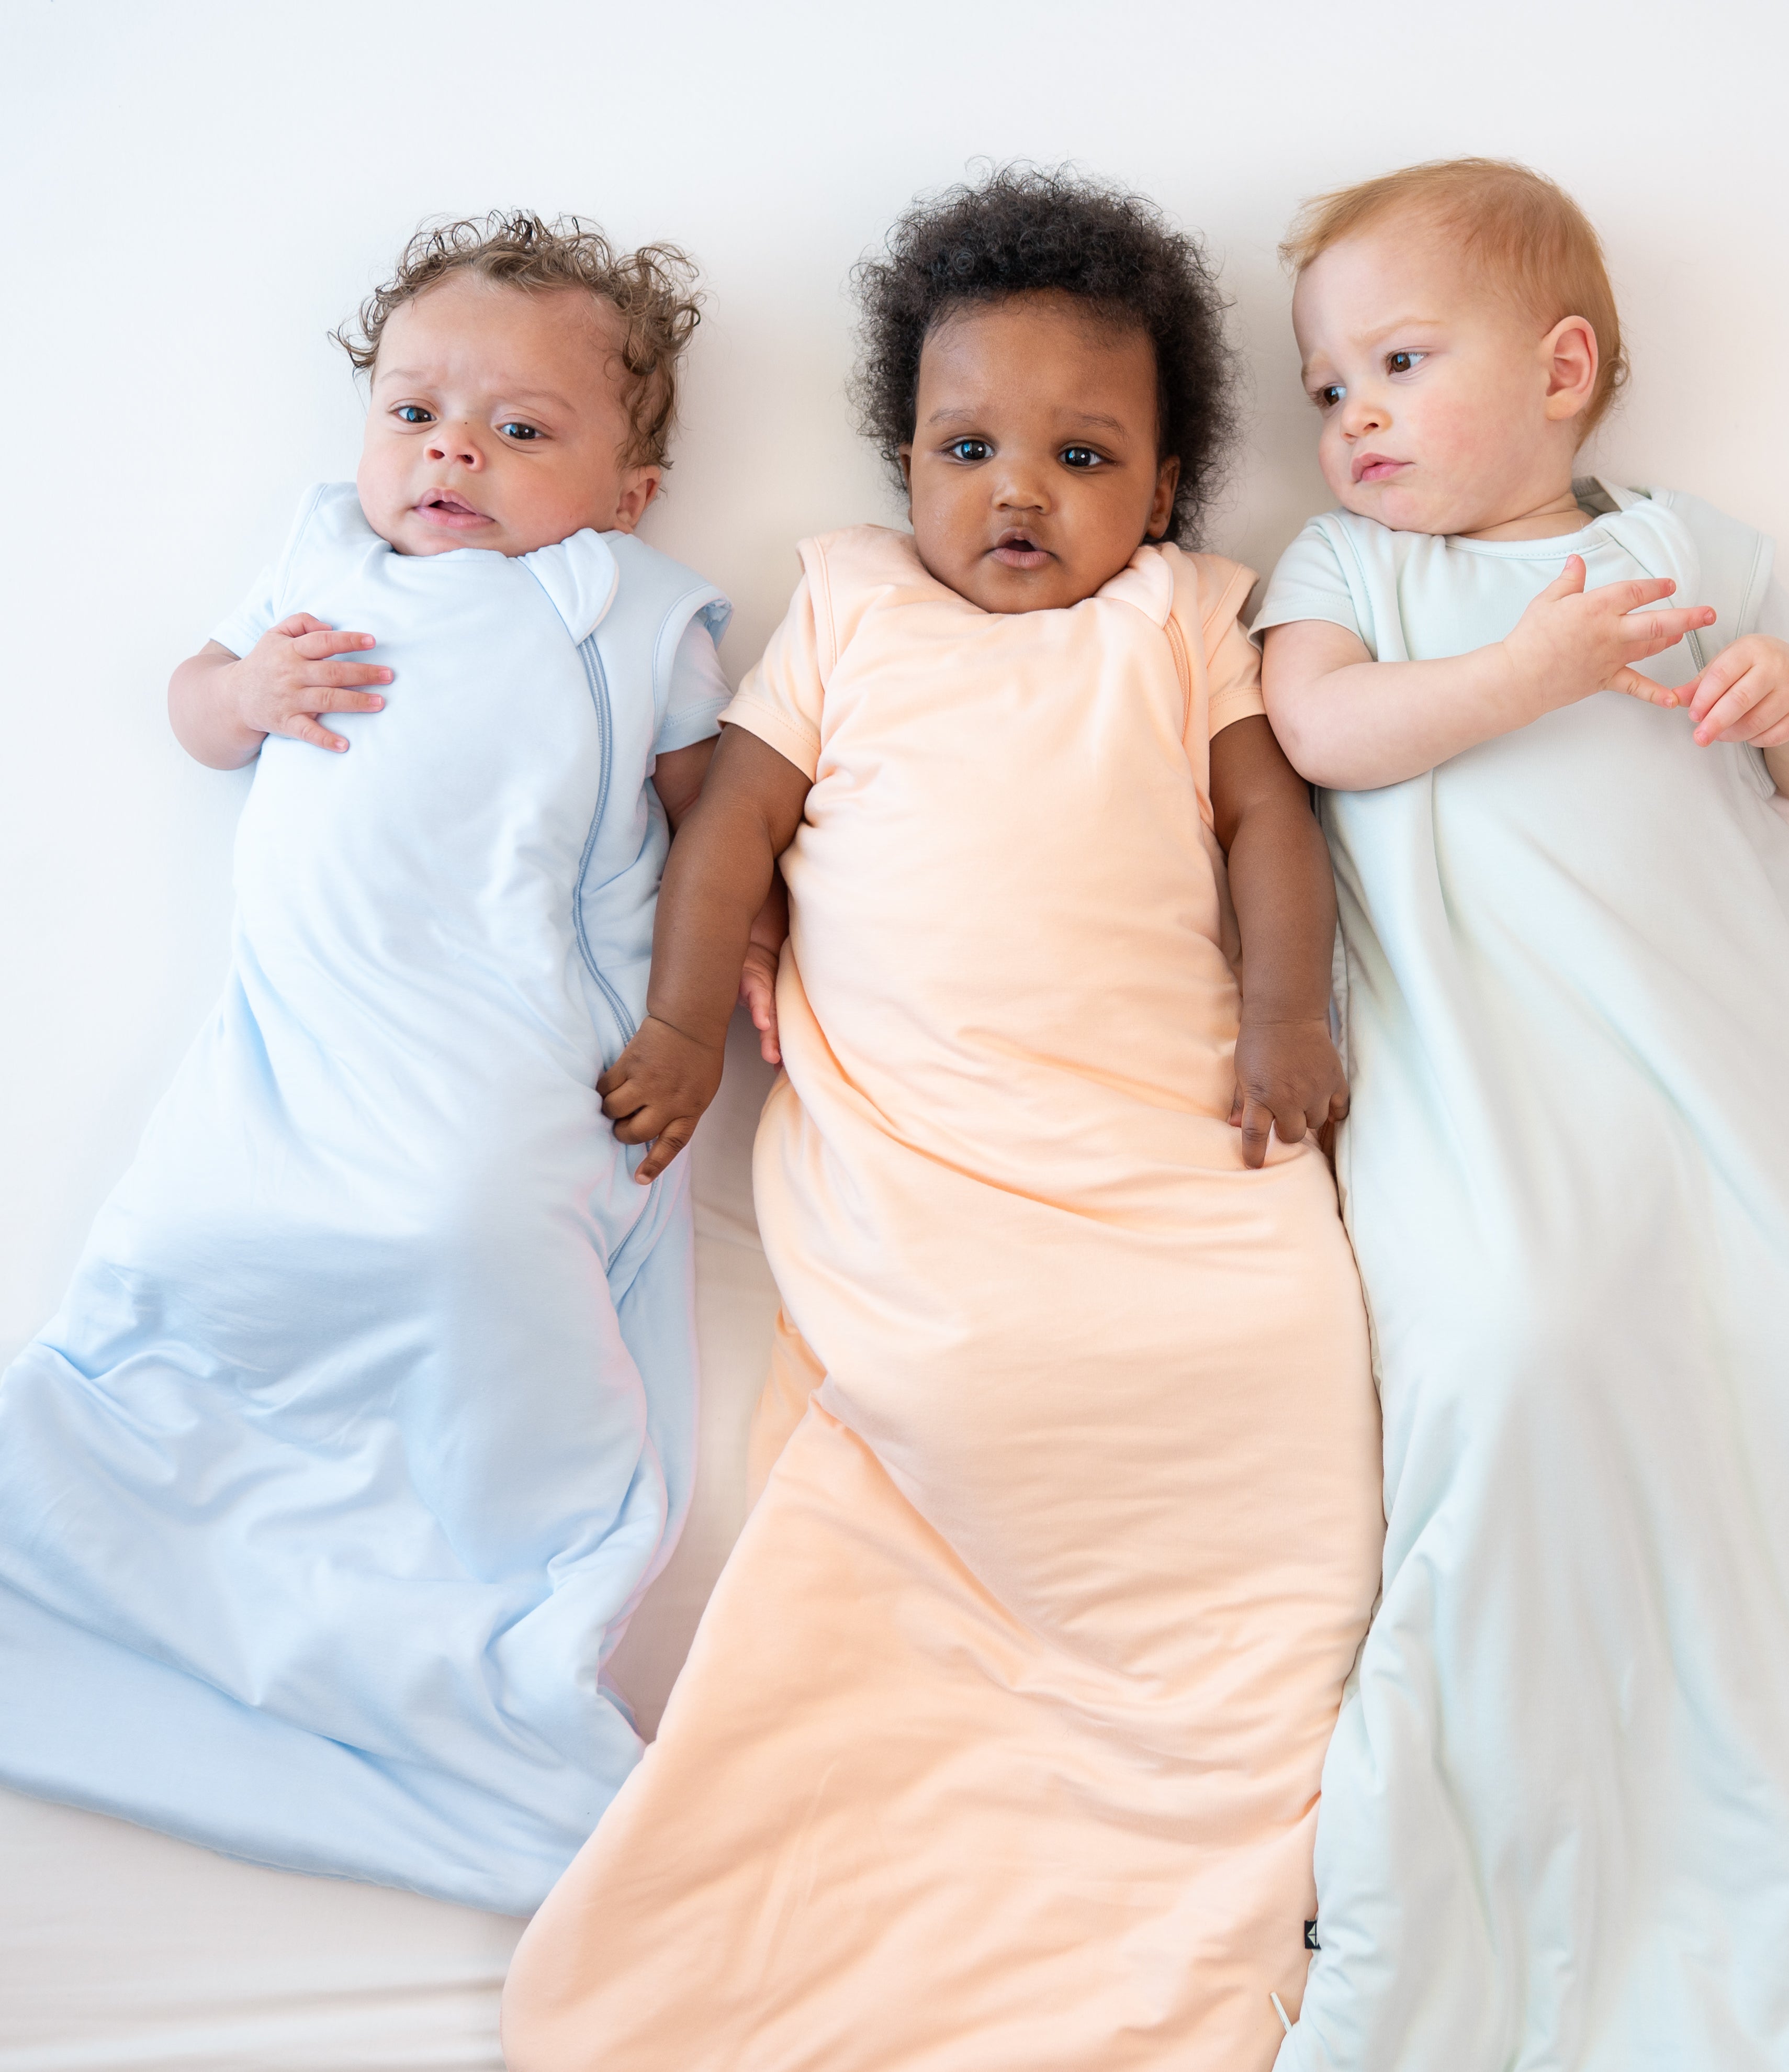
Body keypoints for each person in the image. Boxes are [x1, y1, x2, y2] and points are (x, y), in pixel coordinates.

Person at [500, 166, 1385, 2071]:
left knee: (1281, 1452)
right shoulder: (845, 608)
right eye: (969, 444)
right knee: (952, 1444)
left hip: (1176, 1201)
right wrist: (679, 1021)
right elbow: (730, 823)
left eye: (1082, 456)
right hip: (954, 1214)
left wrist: (1291, 1015)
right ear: (903, 456)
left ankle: (1168, 1874)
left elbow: (1265, 828)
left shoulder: (1183, 621)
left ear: (1159, 493)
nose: (1017, 494)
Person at [1254, 156, 1789, 2069]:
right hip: (1492, 1096)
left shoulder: (1696, 551)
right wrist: (1526, 667)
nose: (1353, 414)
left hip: (1725, 1095)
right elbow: (1322, 735)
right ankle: (1536, 1862)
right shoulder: (1349, 572)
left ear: (1561, 370)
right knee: (1519, 1350)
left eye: (1396, 359)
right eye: (1325, 386)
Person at [0, 211, 762, 1916]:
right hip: (295, 1032)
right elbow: (194, 711)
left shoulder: (625, 608)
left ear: (629, 492)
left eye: (522, 430)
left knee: (464, 1231)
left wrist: (693, 1014)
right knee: (197, 1239)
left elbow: (714, 824)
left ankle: (479, 1610)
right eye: (418, 411)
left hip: (490, 1030)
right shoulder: (319, 555)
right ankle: (108, 1551)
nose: (454, 455)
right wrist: (246, 690)